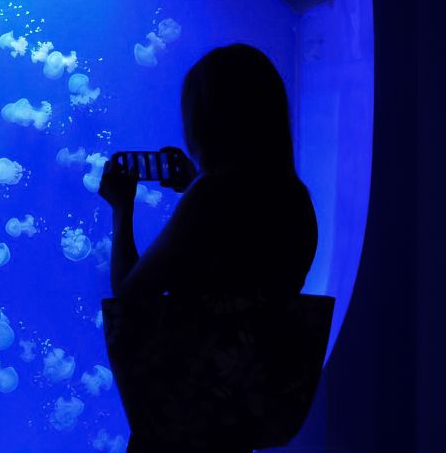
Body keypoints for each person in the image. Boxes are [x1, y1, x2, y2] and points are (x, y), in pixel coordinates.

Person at [99, 44, 319, 450]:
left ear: (205, 121)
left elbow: (130, 297)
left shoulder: (211, 197)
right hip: (236, 422)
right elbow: (239, 253)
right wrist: (195, 182)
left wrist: (121, 208)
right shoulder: (295, 199)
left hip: (182, 426)